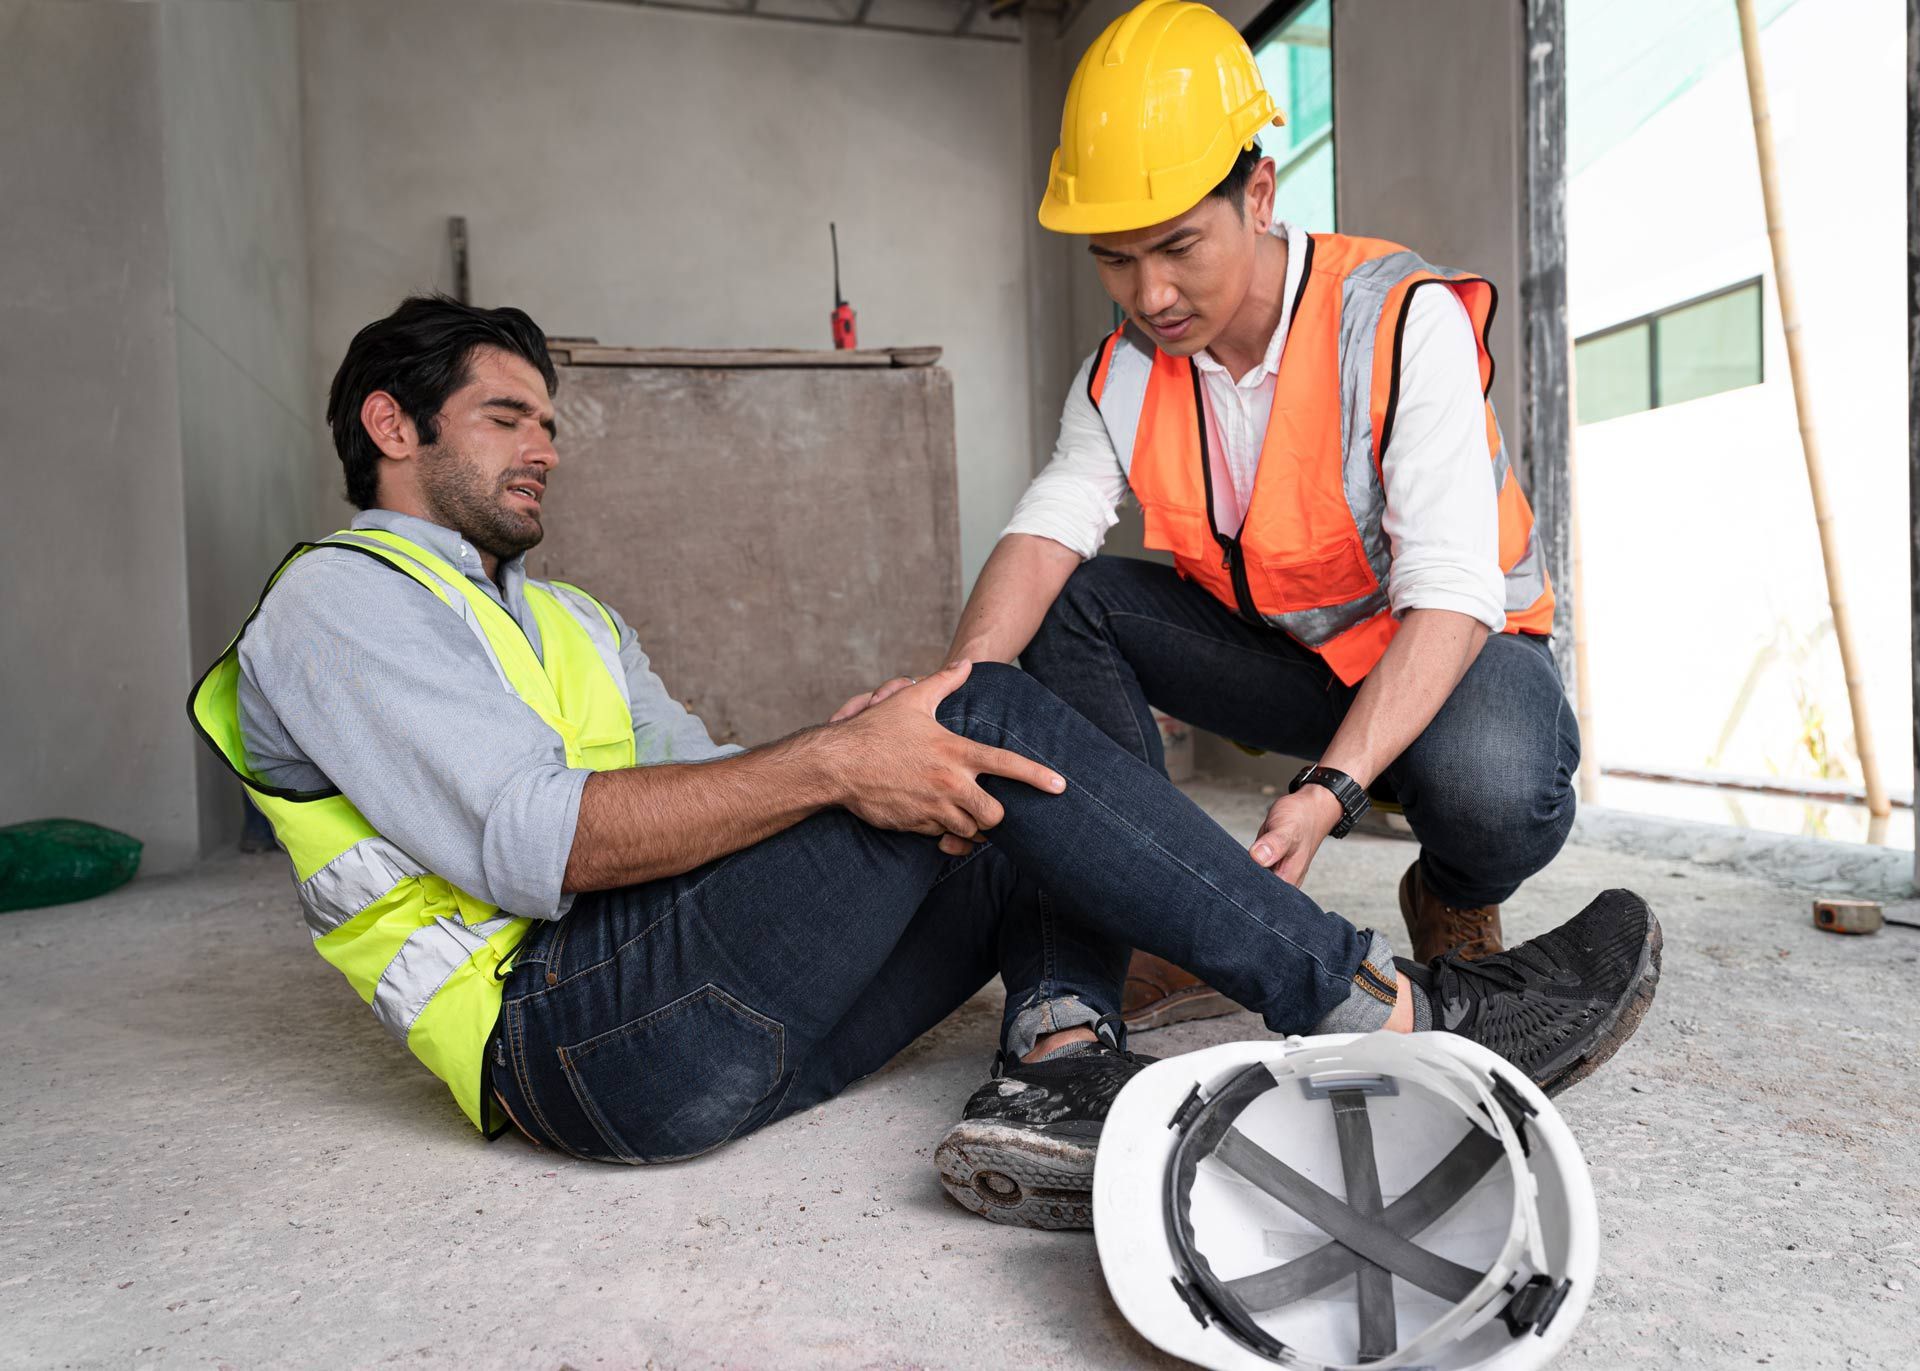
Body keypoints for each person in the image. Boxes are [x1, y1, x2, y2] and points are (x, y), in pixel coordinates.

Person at [188, 295, 1658, 1232]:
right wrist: (843, 763)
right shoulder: (340, 598)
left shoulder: (566, 616)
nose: (547, 450)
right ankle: (1391, 1002)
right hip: (571, 1046)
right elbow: (535, 843)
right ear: (392, 426)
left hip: (703, 1024)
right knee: (989, 718)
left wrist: (863, 773)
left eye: (552, 424)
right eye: (508, 418)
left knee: (999, 786)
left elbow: (717, 798)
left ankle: (1054, 1062)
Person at [843, 0, 1579, 1032]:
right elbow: (1052, 527)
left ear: (1260, 190)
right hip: (1295, 666)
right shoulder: (1121, 376)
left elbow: (1454, 594)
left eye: (1179, 245)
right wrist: (949, 701)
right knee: (1071, 605)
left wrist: (1328, 794)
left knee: (1498, 786)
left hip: (1457, 657)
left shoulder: (1400, 317)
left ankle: (1453, 891)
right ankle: (1158, 905)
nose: (1150, 293)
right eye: (1114, 257)